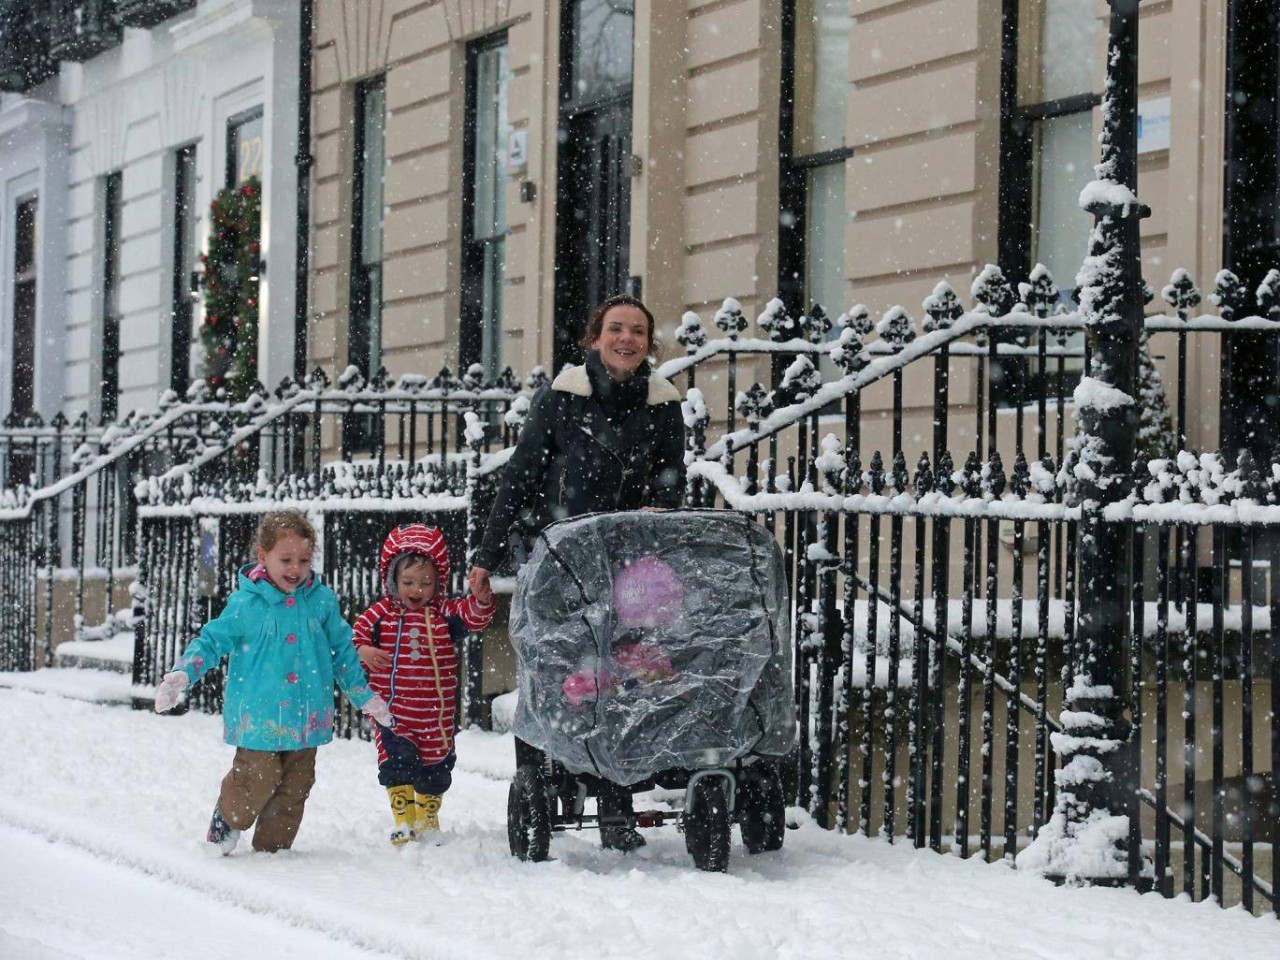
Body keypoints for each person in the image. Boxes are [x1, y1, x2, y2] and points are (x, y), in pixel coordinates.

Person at [468, 293, 685, 852]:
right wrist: (485, 559)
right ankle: (542, 774)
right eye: (615, 328)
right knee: (558, 672)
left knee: (626, 673)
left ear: (649, 343)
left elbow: (672, 476)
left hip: (631, 564)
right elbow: (518, 479)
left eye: (637, 330)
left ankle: (617, 802)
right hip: (560, 561)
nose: (626, 339)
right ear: (594, 338)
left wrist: (658, 508)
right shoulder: (561, 400)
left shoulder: (663, 404)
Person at [153, 509, 393, 856]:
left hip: (307, 716)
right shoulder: (246, 603)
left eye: (304, 559)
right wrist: (183, 673)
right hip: (260, 715)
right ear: (263, 557)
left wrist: (363, 696)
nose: (295, 569)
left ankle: (273, 853)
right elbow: (211, 641)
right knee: (256, 780)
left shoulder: (321, 602)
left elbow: (342, 650)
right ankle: (227, 819)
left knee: (295, 787)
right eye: (286, 559)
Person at [352, 524, 496, 845]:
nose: (416, 590)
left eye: (426, 583)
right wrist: (364, 650)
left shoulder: (444, 614)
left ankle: (428, 817)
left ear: (438, 582)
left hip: (436, 717)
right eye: (408, 582)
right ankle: (403, 820)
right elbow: (356, 635)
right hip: (394, 713)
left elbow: (474, 618)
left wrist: (481, 600)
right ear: (392, 579)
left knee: (437, 770)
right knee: (398, 762)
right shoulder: (380, 614)